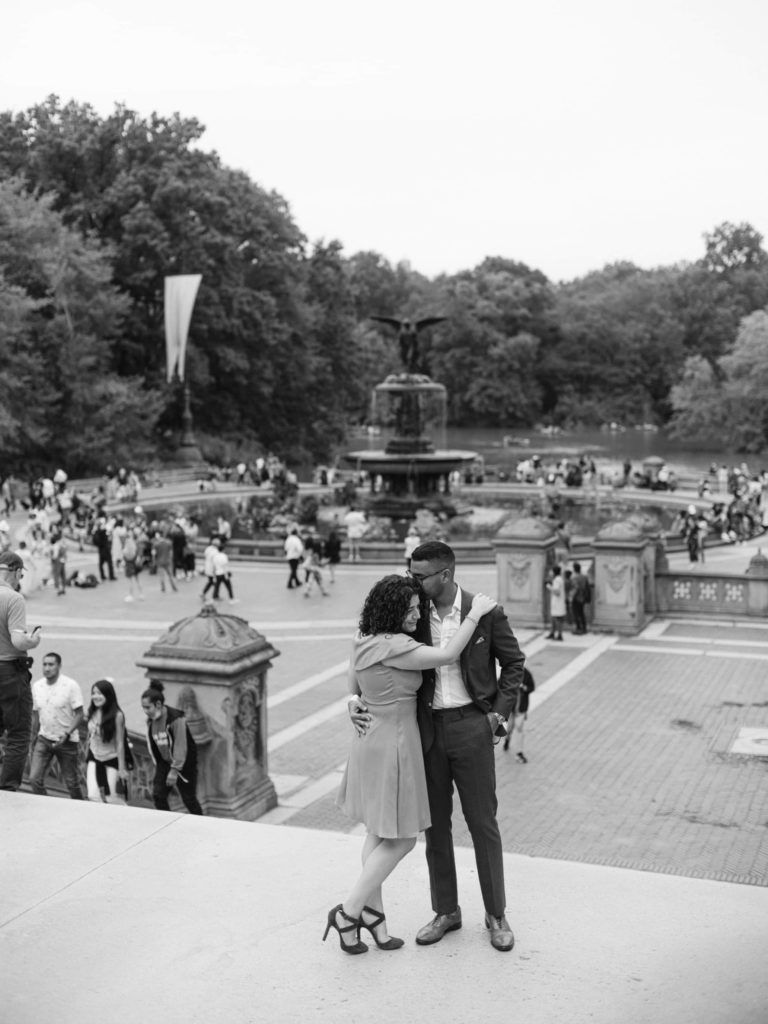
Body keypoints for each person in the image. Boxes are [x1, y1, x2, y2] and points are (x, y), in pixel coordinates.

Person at [349, 540, 525, 953]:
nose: (412, 580)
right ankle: (446, 910)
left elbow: (514, 663)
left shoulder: (486, 612)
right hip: (425, 731)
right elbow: (366, 647)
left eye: (419, 575)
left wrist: (498, 715)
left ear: (444, 574)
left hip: (471, 726)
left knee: (483, 823)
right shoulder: (410, 617)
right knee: (436, 826)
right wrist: (354, 700)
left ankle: (496, 913)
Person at [328, 574, 497, 955]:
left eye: (419, 606)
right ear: (393, 611)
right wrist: (476, 613)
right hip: (394, 743)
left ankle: (375, 920)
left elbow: (351, 684)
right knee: (402, 838)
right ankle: (348, 912)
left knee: (376, 834)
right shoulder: (397, 646)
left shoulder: (363, 638)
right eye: (411, 608)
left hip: (369, 739)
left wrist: (352, 703)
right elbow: (447, 655)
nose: (417, 613)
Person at [0, 551, 41, 790]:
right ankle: (7, 790)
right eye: (21, 574)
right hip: (9, 672)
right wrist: (33, 640)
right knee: (18, 734)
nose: (20, 579)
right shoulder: (13, 598)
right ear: (15, 570)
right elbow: (18, 641)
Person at [29, 652, 85, 799]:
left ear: (59, 666)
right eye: (44, 664)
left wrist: (67, 734)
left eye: (51, 664)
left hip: (67, 741)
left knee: (71, 783)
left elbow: (80, 714)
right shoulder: (37, 686)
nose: (47, 668)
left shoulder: (71, 685)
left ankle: (82, 810)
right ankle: (45, 807)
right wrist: (33, 736)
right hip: (44, 738)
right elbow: (36, 713)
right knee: (34, 779)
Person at [141, 682, 203, 814]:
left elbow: (181, 746)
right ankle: (167, 823)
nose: (145, 712)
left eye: (148, 708)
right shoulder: (151, 721)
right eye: (143, 708)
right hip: (165, 762)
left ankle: (202, 824)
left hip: (184, 764)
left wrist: (174, 771)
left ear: (158, 705)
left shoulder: (176, 719)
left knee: (189, 799)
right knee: (158, 796)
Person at [85, 679, 130, 803]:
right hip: (94, 757)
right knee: (93, 795)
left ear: (108, 695)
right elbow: (90, 736)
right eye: (93, 693)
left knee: (111, 798)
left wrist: (121, 768)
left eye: (100, 693)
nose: (95, 696)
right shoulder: (92, 711)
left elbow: (120, 742)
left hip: (111, 759)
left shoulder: (117, 715)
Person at [503, 667, 536, 762]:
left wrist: (525, 688)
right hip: (511, 708)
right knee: (509, 727)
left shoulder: (527, 674)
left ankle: (519, 752)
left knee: (519, 729)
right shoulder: (510, 672)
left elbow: (532, 687)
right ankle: (507, 739)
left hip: (521, 708)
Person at [545, 565, 565, 640]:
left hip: (558, 603)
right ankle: (552, 633)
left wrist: (549, 587)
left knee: (558, 619)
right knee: (554, 618)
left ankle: (559, 635)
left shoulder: (557, 580)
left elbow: (557, 592)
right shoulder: (559, 579)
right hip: (557, 602)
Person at [570, 562, 590, 634]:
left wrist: (571, 597)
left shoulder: (575, 577)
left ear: (574, 569)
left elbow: (576, 588)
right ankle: (584, 628)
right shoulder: (584, 577)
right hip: (583, 597)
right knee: (581, 613)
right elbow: (587, 587)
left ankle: (578, 628)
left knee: (576, 613)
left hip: (576, 598)